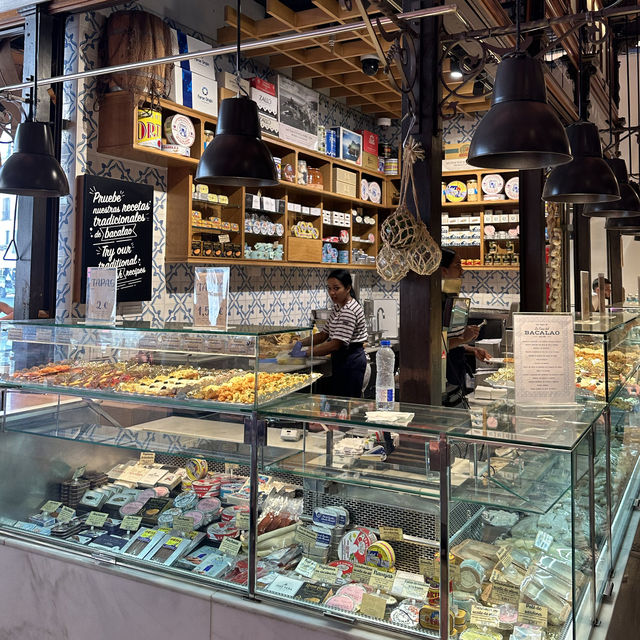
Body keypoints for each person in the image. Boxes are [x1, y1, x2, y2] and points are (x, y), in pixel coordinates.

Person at [293, 269, 368, 398]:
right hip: (342, 361)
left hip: (351, 362)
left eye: (336, 288)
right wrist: (300, 343)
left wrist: (306, 353)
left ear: (348, 288)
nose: (332, 293)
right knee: (340, 405)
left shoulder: (349, 310)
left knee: (347, 406)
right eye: (329, 288)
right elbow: (324, 334)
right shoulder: (338, 307)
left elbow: (335, 344)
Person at [440, 249, 490, 404]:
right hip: (443, 378)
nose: (462, 270)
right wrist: (463, 339)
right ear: (443, 270)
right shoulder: (435, 303)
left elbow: (449, 339)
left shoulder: (450, 297)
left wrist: (472, 348)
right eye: (457, 265)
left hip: (455, 374)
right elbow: (436, 346)